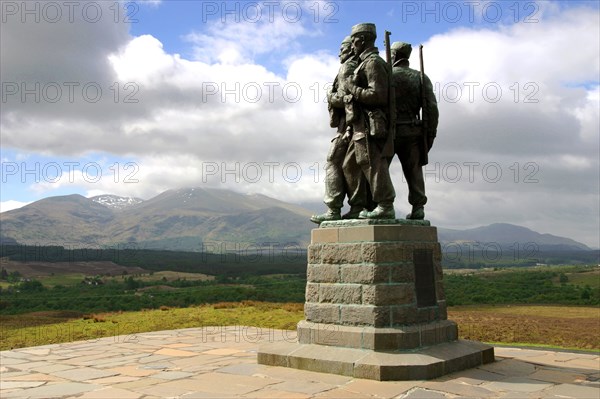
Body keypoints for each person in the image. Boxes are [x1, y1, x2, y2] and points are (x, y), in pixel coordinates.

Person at [342, 23, 396, 219]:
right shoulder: (363, 63)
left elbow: (378, 95)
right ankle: (358, 206)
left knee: (373, 164)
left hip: (370, 125)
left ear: (362, 40)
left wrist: (351, 87)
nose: (352, 44)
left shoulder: (373, 63)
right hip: (359, 124)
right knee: (350, 165)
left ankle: (385, 204)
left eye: (354, 40)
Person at [310, 36, 365, 224]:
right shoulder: (359, 65)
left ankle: (334, 209)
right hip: (355, 125)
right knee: (352, 165)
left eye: (341, 48)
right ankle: (356, 207)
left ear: (350, 48)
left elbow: (345, 98)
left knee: (334, 161)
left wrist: (330, 96)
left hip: (349, 126)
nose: (339, 52)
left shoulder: (347, 68)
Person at [390, 42, 439, 220]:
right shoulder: (421, 78)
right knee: (414, 171)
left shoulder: (387, 76)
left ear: (394, 55)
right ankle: (418, 207)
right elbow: (431, 109)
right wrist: (430, 133)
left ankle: (382, 204)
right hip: (413, 131)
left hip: (390, 131)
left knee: (380, 169)